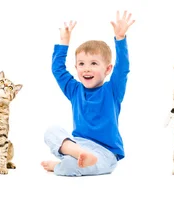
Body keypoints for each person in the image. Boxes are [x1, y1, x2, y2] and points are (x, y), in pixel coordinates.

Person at [40, 10, 135, 176]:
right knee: (51, 131)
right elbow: (58, 70)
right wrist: (64, 42)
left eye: (93, 63)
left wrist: (120, 39)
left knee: (69, 167)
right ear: (76, 68)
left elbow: (123, 69)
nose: (87, 68)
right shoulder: (75, 90)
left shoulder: (112, 90)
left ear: (107, 69)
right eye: (82, 64)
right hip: (78, 145)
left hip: (105, 153)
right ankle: (76, 155)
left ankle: (60, 165)